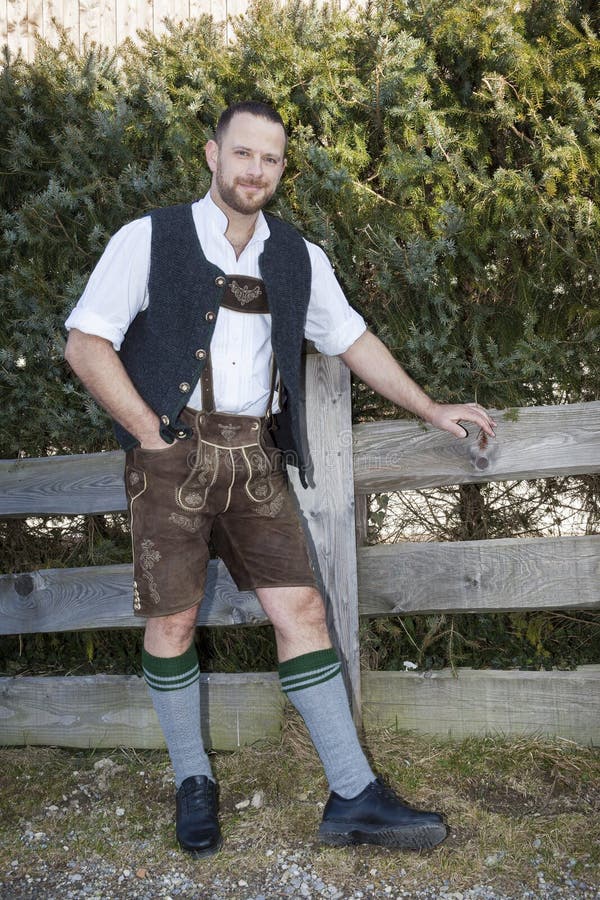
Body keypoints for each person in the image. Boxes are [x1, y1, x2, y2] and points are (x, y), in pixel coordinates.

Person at [64, 100, 496, 858]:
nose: (254, 170)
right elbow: (85, 342)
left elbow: (350, 336)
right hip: (171, 451)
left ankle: (353, 797)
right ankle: (194, 781)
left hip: (256, 458)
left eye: (269, 159)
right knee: (172, 620)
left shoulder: (297, 254)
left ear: (280, 169)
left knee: (303, 611)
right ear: (212, 154)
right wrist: (147, 435)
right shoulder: (150, 238)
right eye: (242, 155)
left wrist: (430, 407)